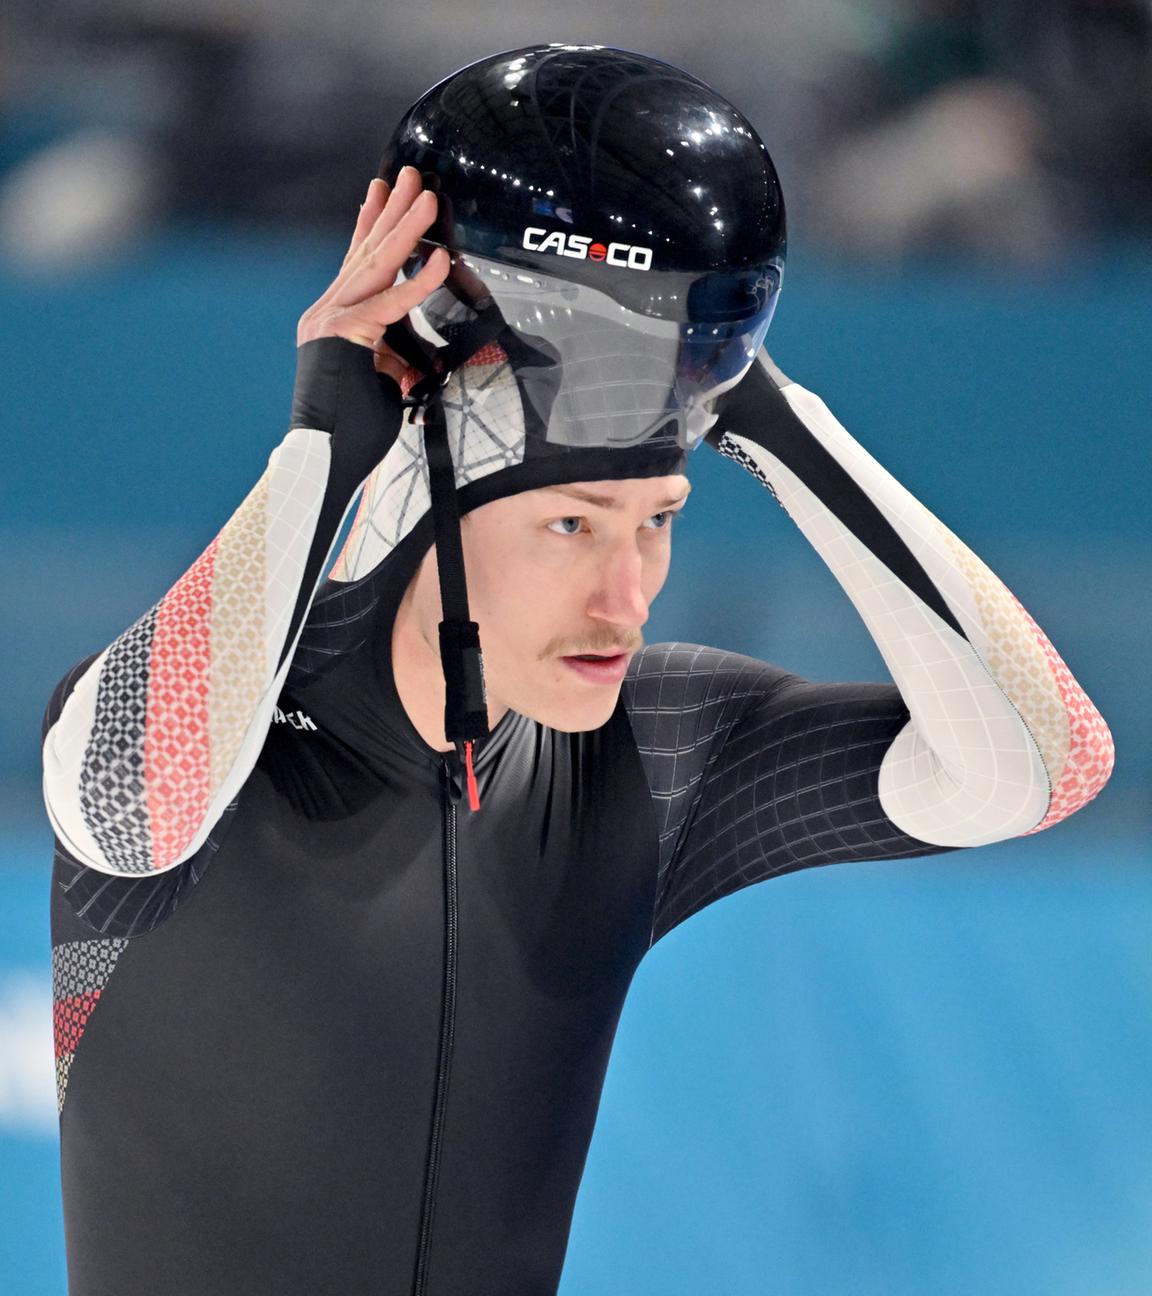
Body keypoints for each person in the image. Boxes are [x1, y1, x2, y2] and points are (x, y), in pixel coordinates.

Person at [40, 44, 1113, 1296]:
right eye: (572, 527)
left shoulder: (656, 753)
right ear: (430, 500)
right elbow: (132, 805)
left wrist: (758, 407)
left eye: (657, 519)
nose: (629, 594)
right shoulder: (213, 735)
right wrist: (328, 442)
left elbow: (1041, 767)